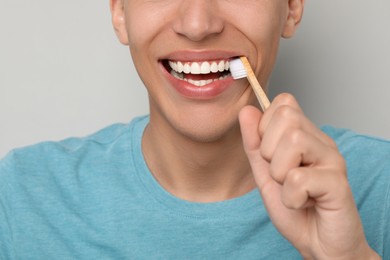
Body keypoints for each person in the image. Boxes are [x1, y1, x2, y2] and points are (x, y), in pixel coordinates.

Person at [0, 0, 388, 258]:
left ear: (290, 8)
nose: (198, 25)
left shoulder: (380, 187)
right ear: (120, 12)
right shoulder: (21, 197)